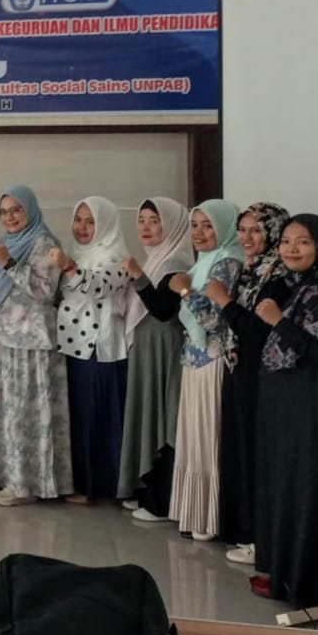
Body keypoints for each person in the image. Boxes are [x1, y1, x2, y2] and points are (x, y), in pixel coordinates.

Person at [250, 214, 318, 607]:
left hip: (310, 407)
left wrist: (278, 322)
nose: (291, 249)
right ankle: (283, 573)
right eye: (286, 241)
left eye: (303, 242)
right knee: (284, 487)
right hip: (284, 406)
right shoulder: (294, 286)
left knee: (307, 489)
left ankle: (307, 581)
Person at [204, 202, 289, 562]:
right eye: (242, 230)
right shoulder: (253, 270)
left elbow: (256, 330)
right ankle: (244, 530)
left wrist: (223, 301)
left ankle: (261, 538)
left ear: (272, 233)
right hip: (239, 367)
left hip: (262, 373)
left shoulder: (279, 275)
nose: (247, 237)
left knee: (257, 452)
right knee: (239, 447)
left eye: (256, 230)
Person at [0, 185, 72, 506]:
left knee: (28, 412)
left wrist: (9, 265)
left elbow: (45, 291)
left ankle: (30, 484)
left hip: (32, 342)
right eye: (4, 212)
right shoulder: (1, 243)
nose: (9, 217)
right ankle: (12, 478)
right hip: (1, 338)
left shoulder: (45, 243)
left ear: (30, 211)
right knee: (8, 414)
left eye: (16, 210)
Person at [166, 199, 243, 541]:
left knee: (208, 438)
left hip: (213, 360)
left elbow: (213, 320)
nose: (199, 233)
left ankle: (210, 518)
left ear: (225, 228)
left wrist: (184, 290)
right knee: (194, 437)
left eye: (208, 225)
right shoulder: (204, 264)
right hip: (194, 357)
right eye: (195, 225)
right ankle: (193, 512)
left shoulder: (229, 262)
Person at [50, 197, 132, 504]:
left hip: (100, 349)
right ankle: (80, 482)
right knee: (78, 417)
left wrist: (68, 267)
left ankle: (103, 485)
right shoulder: (79, 253)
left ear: (106, 224)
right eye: (78, 219)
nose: (82, 227)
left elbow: (98, 287)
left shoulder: (117, 256)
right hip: (72, 347)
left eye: (90, 221)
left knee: (98, 417)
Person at [118, 198, 193, 521]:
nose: (146, 227)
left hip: (165, 347)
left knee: (164, 416)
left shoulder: (175, 260)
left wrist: (137, 276)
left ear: (173, 225)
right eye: (142, 221)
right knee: (148, 412)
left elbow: (163, 310)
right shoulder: (156, 258)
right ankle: (146, 488)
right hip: (148, 347)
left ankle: (161, 501)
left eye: (154, 221)